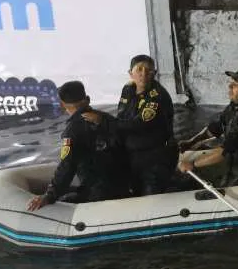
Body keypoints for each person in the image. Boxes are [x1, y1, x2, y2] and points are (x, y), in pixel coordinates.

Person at [27, 81, 127, 211]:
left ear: (62, 105)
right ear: (87, 99)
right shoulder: (107, 119)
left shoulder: (73, 131)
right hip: (122, 186)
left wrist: (50, 195)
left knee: (66, 199)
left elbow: (67, 166)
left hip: (98, 193)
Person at [86, 54, 176, 195]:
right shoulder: (128, 89)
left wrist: (103, 119)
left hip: (155, 157)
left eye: (148, 70)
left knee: (151, 195)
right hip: (133, 154)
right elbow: (122, 117)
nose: (143, 74)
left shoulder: (157, 96)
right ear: (130, 73)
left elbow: (137, 125)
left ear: (155, 73)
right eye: (139, 69)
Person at [176, 68, 238, 187]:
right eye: (231, 82)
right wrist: (192, 142)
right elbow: (216, 128)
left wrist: (193, 164)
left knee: (195, 177)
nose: (230, 86)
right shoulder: (234, 106)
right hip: (235, 160)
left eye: (236, 84)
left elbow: (225, 151)